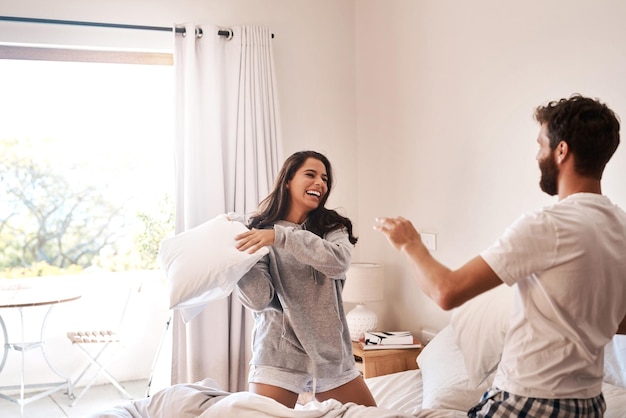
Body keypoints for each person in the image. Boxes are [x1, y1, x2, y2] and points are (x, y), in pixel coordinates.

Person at [374, 94, 626, 417]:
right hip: (589, 405)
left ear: (561, 151)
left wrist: (409, 243)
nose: (538, 155)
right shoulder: (619, 228)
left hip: (530, 401)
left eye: (541, 145)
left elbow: (446, 291)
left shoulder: (548, 225)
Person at [235, 150, 377, 409]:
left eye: (324, 179)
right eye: (310, 174)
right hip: (278, 353)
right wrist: (240, 260)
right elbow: (258, 299)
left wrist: (282, 237)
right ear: (287, 180)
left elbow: (339, 262)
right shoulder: (259, 231)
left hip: (330, 353)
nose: (320, 183)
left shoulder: (332, 226)